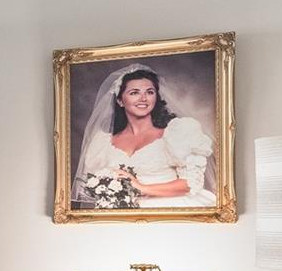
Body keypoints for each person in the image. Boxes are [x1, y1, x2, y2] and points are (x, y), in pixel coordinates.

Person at [77, 65, 215, 207]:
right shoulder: (102, 142)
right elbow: (91, 189)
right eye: (134, 93)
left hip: (168, 209)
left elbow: (189, 184)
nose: (143, 98)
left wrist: (141, 188)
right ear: (120, 101)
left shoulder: (178, 132)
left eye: (150, 92)